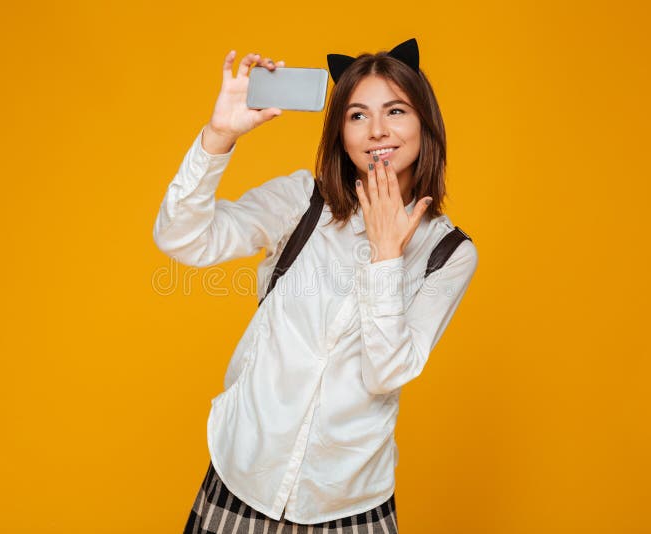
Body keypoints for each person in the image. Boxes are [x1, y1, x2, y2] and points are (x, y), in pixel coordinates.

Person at [153, 38, 479, 533]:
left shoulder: (449, 253)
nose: (377, 132)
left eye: (395, 111)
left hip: (348, 503)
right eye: (357, 116)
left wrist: (386, 256)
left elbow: (387, 371)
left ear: (424, 124)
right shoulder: (303, 201)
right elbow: (183, 239)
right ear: (341, 135)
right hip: (242, 478)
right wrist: (218, 136)